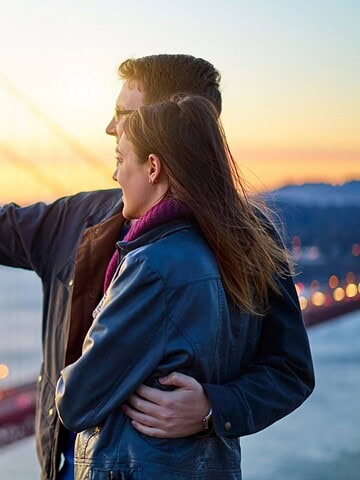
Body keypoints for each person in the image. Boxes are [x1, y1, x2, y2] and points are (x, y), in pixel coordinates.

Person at [0, 55, 314, 480]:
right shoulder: (82, 216)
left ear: (168, 127)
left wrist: (211, 408)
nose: (110, 128)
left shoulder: (246, 237)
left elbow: (290, 369)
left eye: (123, 116)